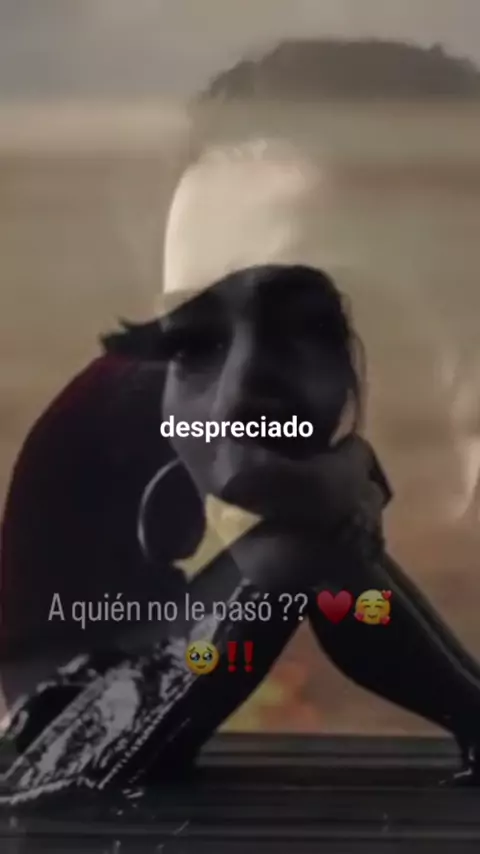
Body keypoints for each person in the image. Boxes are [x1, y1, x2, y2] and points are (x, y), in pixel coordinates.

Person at [0, 134, 479, 804]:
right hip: (66, 722)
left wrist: (351, 489)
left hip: (127, 668)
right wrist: (353, 475)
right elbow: (254, 481)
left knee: (323, 553)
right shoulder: (151, 385)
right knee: (297, 552)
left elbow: (311, 496)